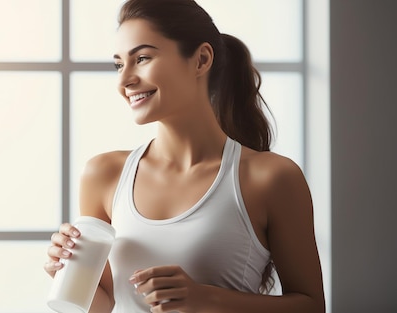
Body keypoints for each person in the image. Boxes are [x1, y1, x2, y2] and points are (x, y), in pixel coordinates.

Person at [44, 0, 325, 312]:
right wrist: (67, 275)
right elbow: (105, 305)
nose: (124, 82)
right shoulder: (103, 174)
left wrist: (207, 298)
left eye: (142, 58)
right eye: (118, 65)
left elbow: (311, 306)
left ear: (201, 59)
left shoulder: (270, 178)